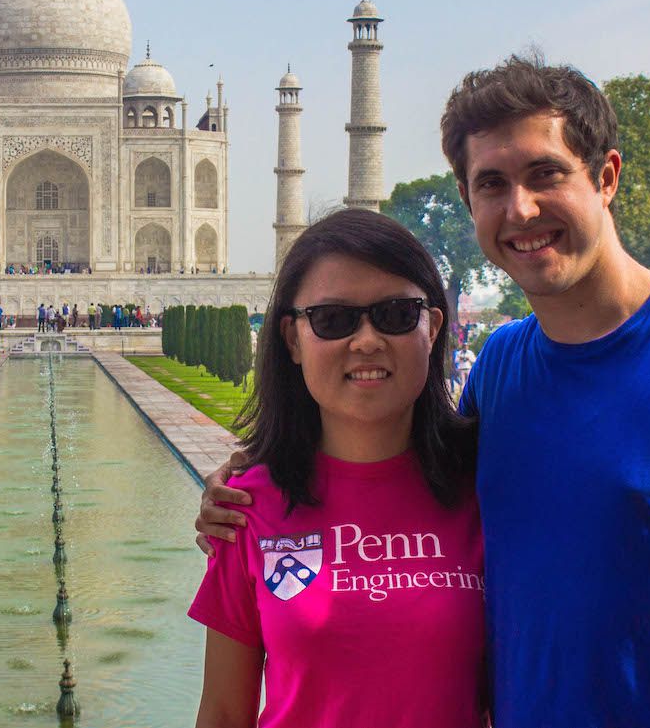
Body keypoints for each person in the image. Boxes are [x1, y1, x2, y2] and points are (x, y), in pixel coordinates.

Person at [199, 55, 650, 727]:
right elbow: (406, 476)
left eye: (546, 175)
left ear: (606, 177)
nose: (521, 208)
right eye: (493, 184)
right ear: (470, 201)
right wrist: (251, 477)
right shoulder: (504, 366)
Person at [189, 210, 482, 727]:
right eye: (332, 319)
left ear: (433, 327)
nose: (366, 340)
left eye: (395, 313)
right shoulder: (246, 506)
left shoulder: (484, 489)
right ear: (293, 339)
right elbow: (224, 711)